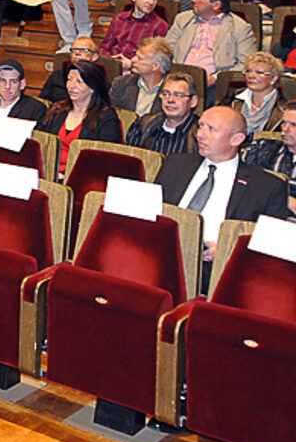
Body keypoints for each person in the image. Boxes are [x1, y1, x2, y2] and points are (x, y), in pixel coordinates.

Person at [154, 106, 288, 282]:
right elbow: (151, 211)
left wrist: (226, 250)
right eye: (201, 126)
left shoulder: (266, 187)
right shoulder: (175, 164)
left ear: (237, 139)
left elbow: (270, 244)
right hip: (161, 254)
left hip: (217, 270)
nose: (200, 134)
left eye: (211, 129)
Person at [37, 60, 122, 176]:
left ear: (92, 87)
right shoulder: (57, 110)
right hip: (49, 172)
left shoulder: (106, 117)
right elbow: (41, 145)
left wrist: (66, 175)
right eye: (69, 80)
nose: (71, 86)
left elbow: (107, 158)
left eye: (79, 82)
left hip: (83, 176)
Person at [165, 0, 257, 76]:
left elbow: (246, 63)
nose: (193, 0)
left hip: (216, 83)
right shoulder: (183, 19)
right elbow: (166, 50)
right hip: (178, 77)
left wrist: (216, 78)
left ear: (216, 5)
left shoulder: (240, 28)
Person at [123, 69, 199, 154]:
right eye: (166, 94)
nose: (170, 100)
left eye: (178, 95)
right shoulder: (144, 124)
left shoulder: (200, 134)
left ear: (193, 102)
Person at [99, 0, 170, 66]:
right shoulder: (119, 19)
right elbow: (104, 48)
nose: (151, 2)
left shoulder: (160, 26)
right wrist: (113, 60)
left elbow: (155, 60)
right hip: (112, 64)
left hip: (136, 69)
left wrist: (132, 64)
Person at [224, 50, 287, 135]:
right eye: (248, 71)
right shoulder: (232, 98)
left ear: (274, 78)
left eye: (259, 72)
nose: (251, 76)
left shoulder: (283, 108)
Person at [110, 36, 174, 116]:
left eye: (139, 58)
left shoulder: (172, 93)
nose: (133, 59)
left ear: (155, 66)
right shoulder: (121, 84)